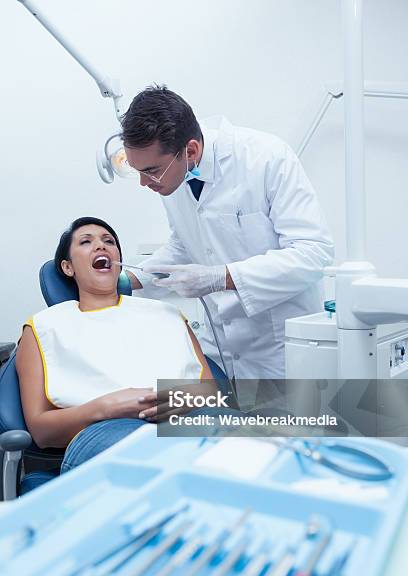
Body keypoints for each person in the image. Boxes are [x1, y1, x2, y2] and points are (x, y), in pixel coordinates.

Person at [121, 85, 334, 379]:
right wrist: (129, 279)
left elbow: (314, 253)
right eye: (138, 171)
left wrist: (220, 278)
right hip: (217, 348)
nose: (145, 183)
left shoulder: (266, 159)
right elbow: (185, 243)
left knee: (282, 424)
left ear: (191, 150)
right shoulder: (171, 173)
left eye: (151, 171)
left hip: (278, 351)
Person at [16, 217, 214, 491]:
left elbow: (210, 391)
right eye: (86, 242)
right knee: (178, 469)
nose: (102, 246)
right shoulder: (43, 327)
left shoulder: (166, 314)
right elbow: (41, 430)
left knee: (261, 444)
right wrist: (104, 407)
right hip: (106, 431)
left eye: (109, 241)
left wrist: (182, 398)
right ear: (67, 267)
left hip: (188, 421)